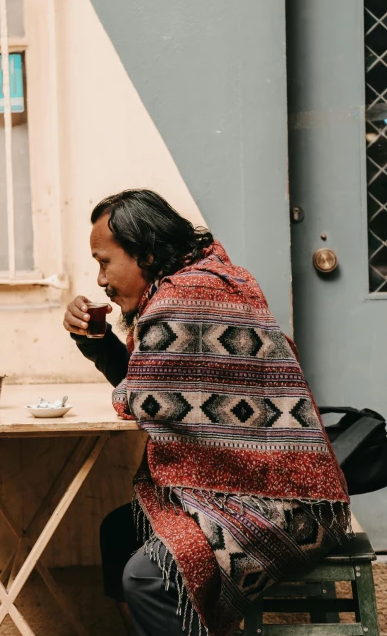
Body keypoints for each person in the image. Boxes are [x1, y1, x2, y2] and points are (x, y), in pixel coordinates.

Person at [63, 189, 350, 636]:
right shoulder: (195, 282)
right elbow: (150, 390)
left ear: (147, 254)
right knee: (117, 532)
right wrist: (95, 341)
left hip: (284, 504)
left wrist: (103, 350)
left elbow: (137, 399)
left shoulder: (186, 298)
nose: (100, 279)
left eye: (104, 262)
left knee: (148, 577)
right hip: (237, 487)